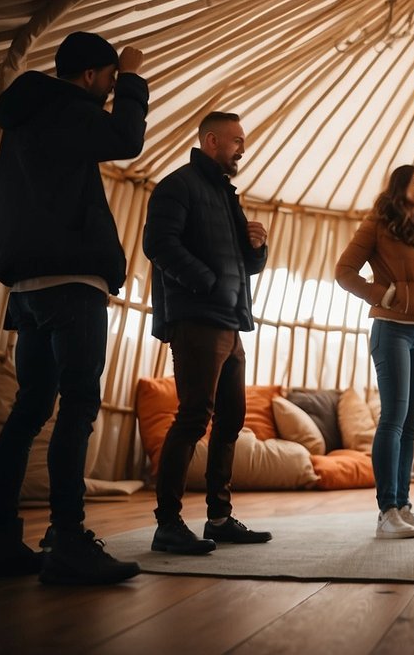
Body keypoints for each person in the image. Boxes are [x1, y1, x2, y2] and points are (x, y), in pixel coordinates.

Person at [0, 31, 146, 585]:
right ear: (93, 76)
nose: (111, 89)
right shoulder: (68, 108)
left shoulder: (27, 115)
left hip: (28, 287)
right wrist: (136, 76)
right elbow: (126, 137)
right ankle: (68, 540)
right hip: (72, 283)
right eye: (111, 80)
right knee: (76, 408)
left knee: (30, 409)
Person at [143, 111, 273, 554]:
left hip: (231, 321)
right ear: (212, 141)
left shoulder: (226, 195)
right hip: (197, 318)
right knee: (194, 415)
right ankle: (168, 523)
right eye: (238, 140)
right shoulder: (177, 186)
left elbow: (245, 264)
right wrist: (208, 283)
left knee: (232, 418)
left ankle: (218, 518)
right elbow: (159, 246)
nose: (243, 149)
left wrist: (258, 248)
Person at [337, 165, 414, 540]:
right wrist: (382, 295)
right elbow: (344, 271)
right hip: (391, 330)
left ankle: (403, 506)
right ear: (401, 187)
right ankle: (386, 512)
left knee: (412, 421)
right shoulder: (377, 224)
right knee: (394, 418)